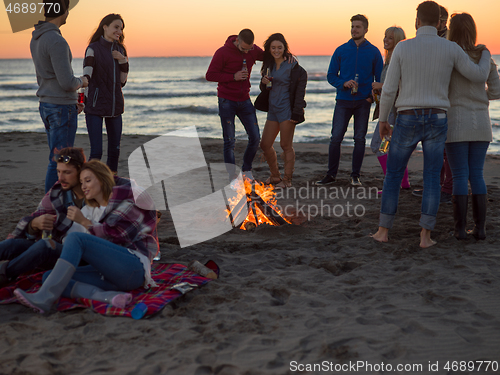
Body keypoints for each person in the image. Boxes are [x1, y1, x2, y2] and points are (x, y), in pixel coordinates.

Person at [371, 1, 491, 248]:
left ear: (416, 22)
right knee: (431, 177)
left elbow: (390, 88)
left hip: (406, 117)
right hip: (438, 118)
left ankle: (383, 231)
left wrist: (383, 120)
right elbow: (478, 75)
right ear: (438, 23)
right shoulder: (450, 49)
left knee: (393, 175)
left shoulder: (403, 48)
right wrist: (486, 54)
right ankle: (425, 236)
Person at [14, 160, 159, 313]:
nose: (83, 186)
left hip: (132, 268)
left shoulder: (131, 196)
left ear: (103, 179)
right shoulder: (90, 209)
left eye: (88, 180)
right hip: (106, 273)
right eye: (81, 182)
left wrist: (84, 222)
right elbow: (69, 239)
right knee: (51, 278)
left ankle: (44, 298)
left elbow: (117, 236)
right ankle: (109, 297)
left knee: (77, 239)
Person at [445, 13, 500, 240]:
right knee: (476, 174)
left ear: (452, 31)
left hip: (455, 122)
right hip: (481, 124)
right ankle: (480, 228)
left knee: (459, 176)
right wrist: (479, 97)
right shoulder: (484, 56)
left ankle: (459, 229)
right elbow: (496, 92)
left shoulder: (447, 56)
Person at [0, 148, 87, 288]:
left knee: (45, 245)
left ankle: (4, 275)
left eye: (67, 172)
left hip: (81, 255)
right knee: (11, 245)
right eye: (59, 171)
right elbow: (33, 218)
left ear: (81, 171)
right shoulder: (58, 191)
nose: (61, 178)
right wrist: (34, 224)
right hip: (58, 247)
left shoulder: (94, 193)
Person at [316, 14, 383, 186]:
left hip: (363, 102)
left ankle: (355, 176)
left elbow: (380, 79)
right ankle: (331, 175)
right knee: (336, 138)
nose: (354, 30)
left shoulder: (374, 52)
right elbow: (331, 76)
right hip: (343, 101)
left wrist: (370, 97)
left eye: (358, 27)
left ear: (366, 30)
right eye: (352, 26)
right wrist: (343, 83)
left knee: (359, 139)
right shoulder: (341, 50)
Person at [31, 0, 88, 193]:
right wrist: (82, 81)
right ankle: (53, 204)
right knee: (60, 160)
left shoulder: (37, 38)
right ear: (62, 12)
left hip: (47, 104)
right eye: (68, 10)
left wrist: (74, 101)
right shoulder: (56, 41)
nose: (69, 14)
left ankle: (55, 201)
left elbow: (49, 75)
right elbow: (67, 83)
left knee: (56, 158)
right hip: (60, 107)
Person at [206, 29, 263, 181]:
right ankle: (232, 177)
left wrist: (287, 57)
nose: (246, 51)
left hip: (245, 100)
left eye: (249, 49)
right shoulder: (222, 52)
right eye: (244, 48)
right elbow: (210, 75)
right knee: (229, 141)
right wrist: (233, 76)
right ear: (237, 40)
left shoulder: (253, 50)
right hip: (226, 100)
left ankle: (246, 170)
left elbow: (270, 56)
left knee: (255, 137)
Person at [254, 33, 307, 188]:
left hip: (287, 110)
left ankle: (287, 180)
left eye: (279, 47)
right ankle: (275, 176)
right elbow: (266, 87)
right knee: (265, 144)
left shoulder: (294, 67)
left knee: (285, 145)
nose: (276, 50)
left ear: (285, 48)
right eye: (273, 48)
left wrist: (297, 112)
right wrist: (263, 83)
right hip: (273, 110)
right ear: (269, 49)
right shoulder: (269, 65)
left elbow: (299, 92)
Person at [412, 4, 453, 203]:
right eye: (441, 19)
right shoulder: (422, 40)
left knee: (445, 150)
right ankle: (433, 185)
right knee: (432, 149)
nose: (442, 23)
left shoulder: (449, 42)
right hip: (428, 102)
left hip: (445, 102)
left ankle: (447, 188)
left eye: (445, 20)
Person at [83, 14, 129, 175]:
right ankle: (87, 185)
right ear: (105, 26)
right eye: (116, 27)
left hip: (115, 107)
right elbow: (86, 78)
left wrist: (122, 60)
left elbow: (122, 82)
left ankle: (111, 187)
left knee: (114, 152)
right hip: (94, 107)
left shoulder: (121, 50)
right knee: (96, 153)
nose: (119, 31)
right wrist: (81, 101)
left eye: (121, 28)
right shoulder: (93, 48)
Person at [370, 26, 410, 191]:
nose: (385, 40)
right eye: (385, 37)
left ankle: (393, 183)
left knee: (378, 146)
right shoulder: (388, 60)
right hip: (389, 110)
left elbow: (401, 86)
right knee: (394, 149)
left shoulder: (399, 60)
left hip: (395, 112)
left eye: (390, 38)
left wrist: (381, 85)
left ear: (398, 41)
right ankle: (403, 183)